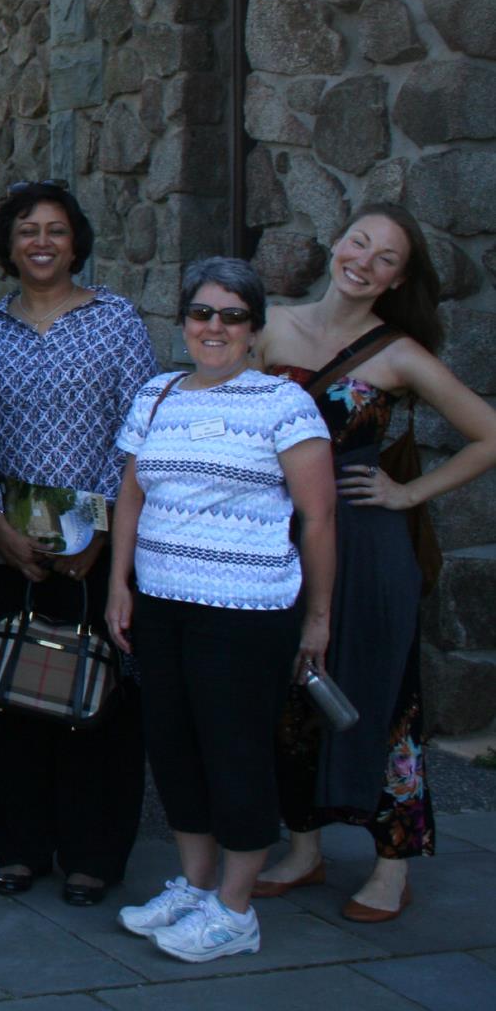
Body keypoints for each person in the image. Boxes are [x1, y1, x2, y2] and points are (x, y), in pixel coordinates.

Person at [254, 205, 496, 922]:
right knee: (290, 698)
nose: (365, 258)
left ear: (396, 279)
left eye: (386, 256)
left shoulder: (398, 352)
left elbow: (489, 434)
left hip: (368, 544)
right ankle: (304, 848)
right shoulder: (269, 326)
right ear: (337, 241)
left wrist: (408, 490)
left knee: (383, 695)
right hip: (280, 536)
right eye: (360, 240)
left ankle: (392, 863)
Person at [107, 257, 335, 965]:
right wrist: (120, 583)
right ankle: (196, 884)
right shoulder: (157, 393)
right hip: (163, 602)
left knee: (234, 750)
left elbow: (319, 517)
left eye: (232, 315)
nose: (215, 326)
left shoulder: (283, 404)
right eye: (203, 312)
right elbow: (131, 495)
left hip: (245, 610)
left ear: (254, 328)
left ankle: (236, 908)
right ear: (184, 322)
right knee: (174, 747)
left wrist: (320, 618)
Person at [0, 183, 157, 907]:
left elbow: (138, 431)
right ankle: (21, 846)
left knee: (99, 698)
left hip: (98, 543)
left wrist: (99, 527)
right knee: (16, 696)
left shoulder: (116, 320)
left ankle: (93, 852)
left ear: (76, 241)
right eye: (26, 230)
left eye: (54, 230)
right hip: (12, 539)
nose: (41, 241)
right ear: (8, 245)